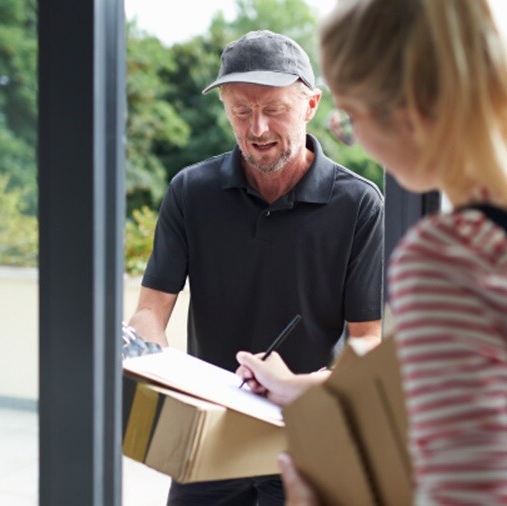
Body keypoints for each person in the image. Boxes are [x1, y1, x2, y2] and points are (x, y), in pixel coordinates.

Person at [236, 1, 507, 504]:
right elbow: (502, 394)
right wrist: (295, 387)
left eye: (352, 117)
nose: (355, 138)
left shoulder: (452, 257)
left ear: (409, 114)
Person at [126, 29, 385, 506]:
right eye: (241, 111)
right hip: (206, 433)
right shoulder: (190, 192)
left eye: (274, 109)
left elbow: (368, 340)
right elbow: (149, 312)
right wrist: (150, 365)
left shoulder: (359, 204)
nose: (257, 129)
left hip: (306, 439)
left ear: (310, 106)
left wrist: (301, 388)